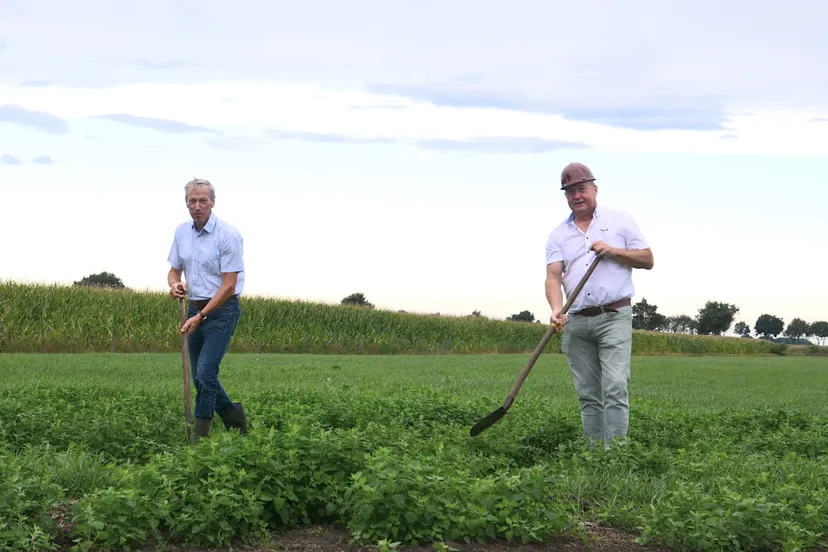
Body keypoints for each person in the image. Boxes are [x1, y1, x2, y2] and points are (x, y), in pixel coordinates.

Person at [544, 162, 653, 448]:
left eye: (581, 189)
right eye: (570, 192)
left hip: (613, 315)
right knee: (587, 392)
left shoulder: (620, 220)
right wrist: (556, 309)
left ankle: (615, 453)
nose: (576, 196)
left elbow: (647, 259)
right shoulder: (558, 234)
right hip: (577, 320)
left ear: (594, 189)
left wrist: (613, 250)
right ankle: (593, 453)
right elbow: (553, 277)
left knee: (615, 386)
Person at [167, 177, 248, 444]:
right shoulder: (182, 232)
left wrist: (201, 316)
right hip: (194, 308)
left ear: (213, 202)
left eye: (203, 200)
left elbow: (229, 285)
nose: (197, 206)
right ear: (186, 203)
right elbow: (174, 270)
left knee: (205, 373)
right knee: (199, 377)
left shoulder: (228, 234)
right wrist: (175, 285)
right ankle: (237, 423)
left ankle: (199, 437)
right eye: (192, 201)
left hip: (222, 310)